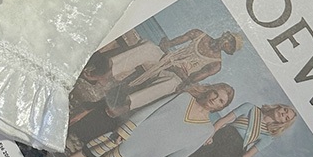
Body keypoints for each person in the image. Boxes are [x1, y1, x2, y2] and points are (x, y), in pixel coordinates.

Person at [32, 83, 235, 157]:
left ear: (221, 107)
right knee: (89, 152)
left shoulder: (206, 130)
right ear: (210, 90)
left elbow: (183, 154)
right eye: (215, 93)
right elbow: (148, 111)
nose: (214, 99)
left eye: (220, 101)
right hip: (130, 136)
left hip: (147, 156)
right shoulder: (183, 98)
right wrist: (126, 128)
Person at [89, 29, 243, 115]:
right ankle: (106, 75)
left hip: (175, 75)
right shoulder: (198, 34)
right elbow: (168, 44)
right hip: (165, 59)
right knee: (149, 48)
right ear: (225, 34)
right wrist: (166, 48)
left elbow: (189, 80)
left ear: (228, 50)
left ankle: (127, 106)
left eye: (230, 44)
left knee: (171, 84)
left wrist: (175, 68)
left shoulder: (215, 64)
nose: (226, 42)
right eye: (228, 38)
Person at [149, 102, 297, 157]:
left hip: (232, 155)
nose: (283, 114)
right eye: (285, 110)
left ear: (283, 123)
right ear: (279, 106)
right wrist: (210, 134)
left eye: (286, 117)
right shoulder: (250, 108)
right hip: (220, 139)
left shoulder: (269, 137)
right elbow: (222, 121)